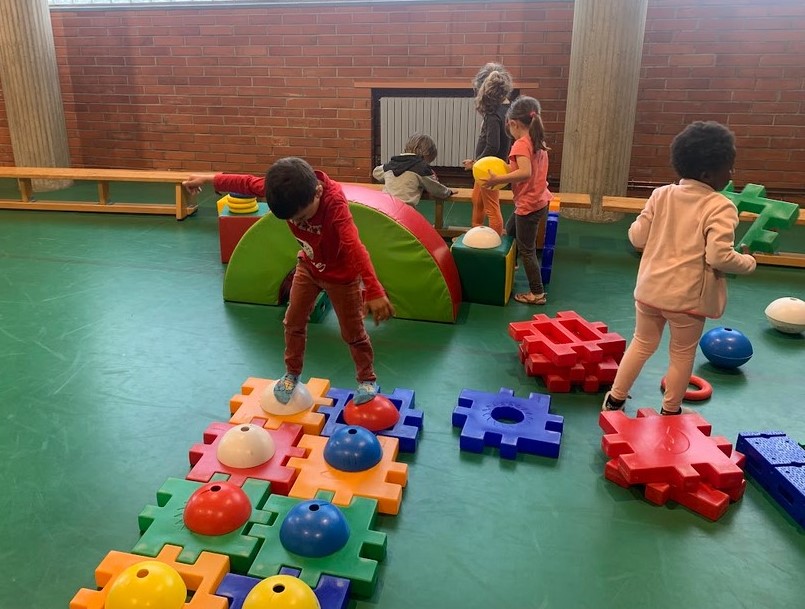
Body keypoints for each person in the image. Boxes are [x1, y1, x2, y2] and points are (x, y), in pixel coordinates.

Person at [183, 157, 395, 405]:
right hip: (308, 267)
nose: (297, 222)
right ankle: (292, 374)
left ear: (318, 192)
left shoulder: (334, 203)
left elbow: (353, 246)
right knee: (293, 322)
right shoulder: (284, 191)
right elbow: (246, 183)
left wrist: (374, 289)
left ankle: (366, 379)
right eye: (292, 219)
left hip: (342, 277)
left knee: (353, 332)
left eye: (302, 216)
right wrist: (207, 179)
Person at [601, 121, 757, 416]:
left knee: (641, 343)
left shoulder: (660, 194)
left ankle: (615, 400)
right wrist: (748, 262)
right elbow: (719, 257)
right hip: (686, 301)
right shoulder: (720, 206)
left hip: (649, 291)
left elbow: (637, 238)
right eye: (729, 168)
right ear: (707, 174)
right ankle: (670, 411)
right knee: (682, 354)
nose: (731, 174)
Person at [484, 96, 551, 306]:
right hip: (539, 200)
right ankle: (510, 265)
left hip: (528, 205)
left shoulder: (521, 144)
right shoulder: (537, 140)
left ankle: (537, 293)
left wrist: (497, 179)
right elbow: (521, 169)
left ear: (513, 123)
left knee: (527, 250)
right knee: (510, 230)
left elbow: (524, 172)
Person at [462, 62, 513, 236]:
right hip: (490, 166)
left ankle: (494, 241)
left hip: (489, 170)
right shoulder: (506, 109)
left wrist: (476, 163)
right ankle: (476, 231)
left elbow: (493, 145)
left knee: (491, 207)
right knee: (477, 199)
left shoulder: (493, 115)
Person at [373, 133, 457, 206]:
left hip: (385, 208)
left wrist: (391, 179)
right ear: (427, 155)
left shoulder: (392, 164)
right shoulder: (421, 168)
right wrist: (448, 192)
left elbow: (376, 173)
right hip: (404, 210)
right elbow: (436, 190)